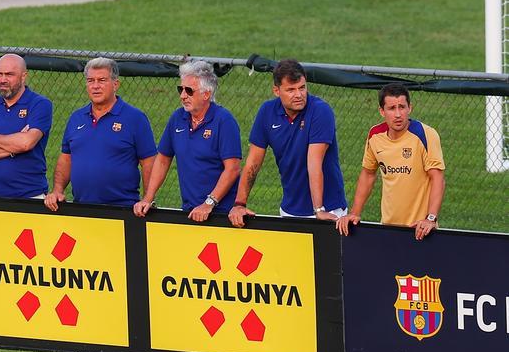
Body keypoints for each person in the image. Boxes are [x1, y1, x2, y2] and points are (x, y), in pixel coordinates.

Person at [228, 58, 347, 228]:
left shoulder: (321, 111)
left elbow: (314, 163)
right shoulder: (266, 112)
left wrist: (319, 209)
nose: (299, 95)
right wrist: (240, 204)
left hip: (328, 210)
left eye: (302, 88)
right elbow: (253, 163)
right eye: (291, 90)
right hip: (290, 210)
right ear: (276, 91)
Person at [133, 60, 241, 222]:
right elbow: (162, 159)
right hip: (190, 211)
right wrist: (148, 197)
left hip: (222, 213)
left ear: (206, 94)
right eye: (180, 89)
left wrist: (208, 203)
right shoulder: (178, 118)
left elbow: (232, 168)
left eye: (189, 91)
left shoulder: (224, 121)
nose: (183, 96)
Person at [44, 57, 156, 210]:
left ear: (115, 84)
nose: (95, 86)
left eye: (102, 80)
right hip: (81, 208)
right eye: (90, 81)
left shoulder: (135, 118)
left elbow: (149, 162)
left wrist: (147, 199)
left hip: (122, 210)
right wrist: (58, 190)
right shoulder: (76, 118)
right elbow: (66, 158)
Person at [336, 83, 445, 240]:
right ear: (382, 111)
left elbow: (438, 178)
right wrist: (354, 213)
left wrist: (430, 219)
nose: (398, 114)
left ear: (410, 108)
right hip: (388, 229)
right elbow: (368, 174)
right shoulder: (375, 136)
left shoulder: (425, 134)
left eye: (402, 107)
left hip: (420, 230)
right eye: (392, 108)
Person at [0, 53, 53, 198]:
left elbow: (26, 143)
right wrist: (14, 147)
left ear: (23, 76)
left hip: (30, 196)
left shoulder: (40, 104)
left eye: (9, 75)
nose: (3, 80)